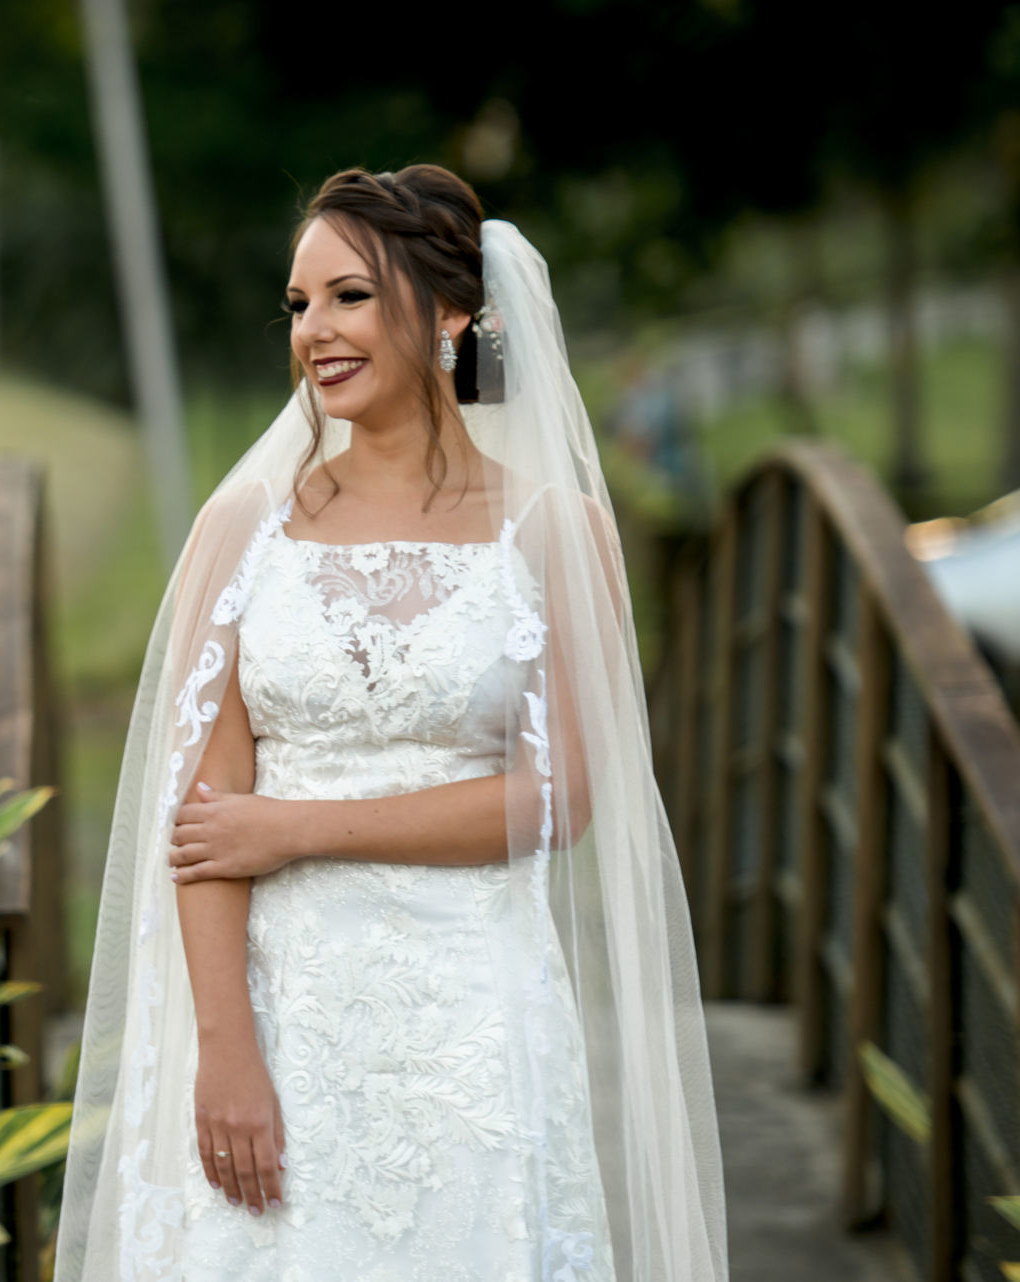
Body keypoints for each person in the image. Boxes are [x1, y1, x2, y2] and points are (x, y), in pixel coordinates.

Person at [53, 164, 728, 1281]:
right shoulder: (244, 528)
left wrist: (298, 827)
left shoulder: (554, 531)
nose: (315, 330)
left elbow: (555, 796)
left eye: (350, 296)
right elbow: (204, 821)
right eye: (300, 304)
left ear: (454, 314)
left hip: (471, 1025)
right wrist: (224, 1051)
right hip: (278, 1018)